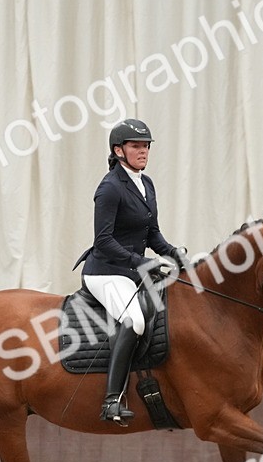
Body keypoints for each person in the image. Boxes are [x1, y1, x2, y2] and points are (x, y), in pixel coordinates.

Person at [73, 118, 187, 426]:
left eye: (146, 146)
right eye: (136, 146)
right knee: (134, 320)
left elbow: (152, 234)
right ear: (118, 150)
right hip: (106, 272)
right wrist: (142, 262)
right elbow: (104, 241)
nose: (143, 151)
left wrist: (174, 253)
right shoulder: (109, 188)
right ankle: (111, 400)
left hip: (131, 270)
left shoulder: (146, 183)